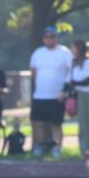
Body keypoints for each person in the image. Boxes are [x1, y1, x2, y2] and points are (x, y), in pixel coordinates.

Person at [29, 26, 72, 157]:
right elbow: (33, 72)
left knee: (56, 123)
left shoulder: (64, 52)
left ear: (57, 38)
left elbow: (71, 73)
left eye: (52, 37)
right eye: (46, 37)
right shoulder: (38, 53)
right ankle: (40, 147)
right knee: (37, 122)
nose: (49, 39)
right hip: (40, 95)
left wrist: (64, 91)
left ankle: (56, 148)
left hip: (57, 96)